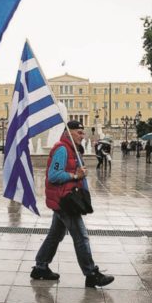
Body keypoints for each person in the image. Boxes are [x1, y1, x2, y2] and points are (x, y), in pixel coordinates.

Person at [31, 120, 114, 288]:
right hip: (65, 200)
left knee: (55, 235)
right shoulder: (62, 149)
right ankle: (91, 274)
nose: (83, 136)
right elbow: (54, 175)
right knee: (81, 237)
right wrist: (75, 176)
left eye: (83, 133)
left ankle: (40, 267)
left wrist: (79, 173)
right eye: (79, 132)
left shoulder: (72, 149)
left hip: (65, 198)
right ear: (69, 132)